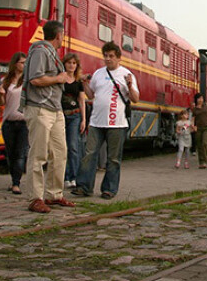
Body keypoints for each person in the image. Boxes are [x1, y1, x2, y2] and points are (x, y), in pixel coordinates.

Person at [72, 41, 139, 199]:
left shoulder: (127, 75)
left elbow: (135, 99)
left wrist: (129, 86)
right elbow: (91, 95)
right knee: (89, 154)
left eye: (111, 56)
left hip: (117, 124)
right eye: (105, 56)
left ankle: (109, 189)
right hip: (96, 122)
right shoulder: (98, 73)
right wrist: (84, 84)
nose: (108, 59)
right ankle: (84, 187)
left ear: (118, 58)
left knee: (113, 158)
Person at [21, 20, 74, 213]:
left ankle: (54, 194)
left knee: (60, 152)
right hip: (40, 108)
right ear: (59, 35)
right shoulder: (41, 51)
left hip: (54, 109)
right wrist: (59, 78)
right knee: (38, 154)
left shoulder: (52, 54)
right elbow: (35, 79)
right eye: (63, 35)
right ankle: (35, 197)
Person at [0, 52, 28, 195]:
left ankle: (16, 183)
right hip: (8, 122)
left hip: (24, 122)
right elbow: (2, 103)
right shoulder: (7, 80)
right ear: (15, 63)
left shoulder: (28, 81)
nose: (24, 65)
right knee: (10, 154)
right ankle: (13, 180)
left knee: (20, 154)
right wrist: (1, 94)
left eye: (25, 62)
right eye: (22, 62)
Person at [62, 53, 87, 189]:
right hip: (61, 115)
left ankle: (74, 177)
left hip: (75, 116)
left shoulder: (79, 82)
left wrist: (83, 120)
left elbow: (81, 101)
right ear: (64, 64)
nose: (71, 65)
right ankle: (65, 177)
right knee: (62, 147)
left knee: (73, 146)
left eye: (74, 63)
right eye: (69, 63)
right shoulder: (60, 79)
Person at [192, 93, 207, 168]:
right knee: (199, 145)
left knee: (204, 143)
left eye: (202, 98)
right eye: (199, 98)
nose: (200, 100)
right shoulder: (195, 109)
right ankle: (201, 162)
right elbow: (193, 118)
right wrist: (193, 126)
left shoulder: (206, 105)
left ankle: (205, 161)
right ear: (196, 100)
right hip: (199, 129)